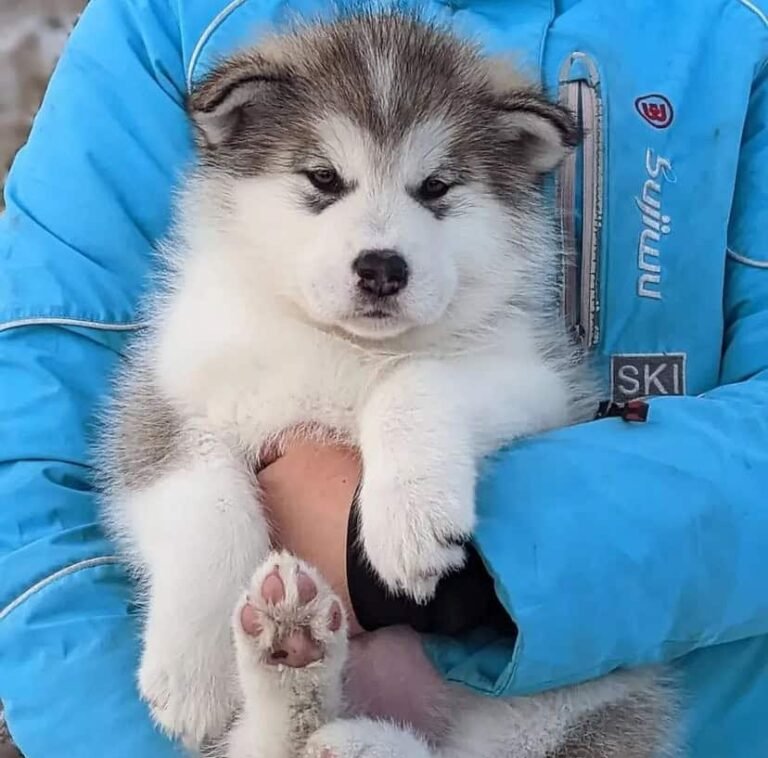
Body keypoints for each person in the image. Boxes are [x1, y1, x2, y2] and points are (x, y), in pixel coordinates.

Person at [1, 0, 767, 755]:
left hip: (567, 698)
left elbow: (527, 398)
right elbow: (68, 415)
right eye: (323, 181)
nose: (381, 246)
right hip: (262, 699)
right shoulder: (168, 31)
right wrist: (203, 574)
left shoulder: (735, 30)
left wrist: (416, 418)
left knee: (592, 709)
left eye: (435, 192)